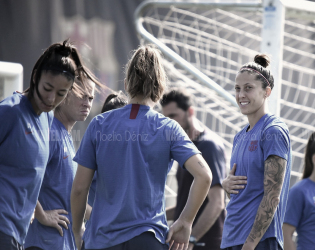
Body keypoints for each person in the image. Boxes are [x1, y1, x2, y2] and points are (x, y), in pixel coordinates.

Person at [70, 44, 212, 250]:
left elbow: (79, 188)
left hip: (102, 240)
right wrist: (185, 221)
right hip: (149, 239)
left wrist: (76, 231)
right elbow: (204, 176)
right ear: (160, 87)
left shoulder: (99, 124)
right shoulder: (168, 128)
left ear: (127, 83)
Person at [0, 39, 93, 250]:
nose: (51, 99)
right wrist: (42, 215)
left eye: (61, 94)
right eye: (47, 88)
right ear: (35, 77)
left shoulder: (47, 118)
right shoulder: (10, 112)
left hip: (18, 234)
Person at [24, 67, 104, 250]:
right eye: (82, 95)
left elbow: (70, 196)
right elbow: (23, 175)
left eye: (91, 98)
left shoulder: (65, 135)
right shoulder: (50, 132)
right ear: (65, 92)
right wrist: (42, 214)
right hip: (41, 244)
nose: (87, 103)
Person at [220, 54, 292, 250]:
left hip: (258, 242)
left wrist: (250, 244)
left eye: (248, 88)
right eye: (237, 88)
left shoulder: (273, 131)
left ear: (267, 91)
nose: (241, 95)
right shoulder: (239, 137)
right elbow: (244, 191)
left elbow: (272, 197)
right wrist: (227, 186)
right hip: (231, 239)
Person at [161, 89, 227, 250]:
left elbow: (217, 202)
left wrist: (191, 239)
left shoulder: (208, 145)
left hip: (206, 244)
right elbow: (188, 205)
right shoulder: (186, 149)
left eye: (173, 116)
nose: (169, 123)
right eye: (165, 118)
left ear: (190, 112)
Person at [87, 91, 129, 210]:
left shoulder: (131, 154)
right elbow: (77, 192)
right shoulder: (95, 153)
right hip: (97, 225)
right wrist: (97, 219)